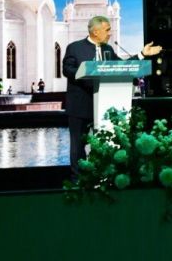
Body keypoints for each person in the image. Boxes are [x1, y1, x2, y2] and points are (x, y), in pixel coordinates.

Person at [62, 15, 162, 175]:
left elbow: (122, 66)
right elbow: (67, 69)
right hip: (81, 106)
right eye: (107, 30)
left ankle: (102, 177)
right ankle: (78, 180)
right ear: (95, 31)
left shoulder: (108, 49)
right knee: (78, 146)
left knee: (103, 144)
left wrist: (142, 54)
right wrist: (87, 71)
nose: (110, 33)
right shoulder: (75, 47)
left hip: (105, 107)